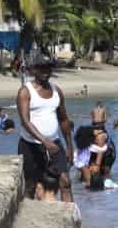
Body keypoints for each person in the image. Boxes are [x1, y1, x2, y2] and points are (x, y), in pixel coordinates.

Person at [16, 57, 74, 203]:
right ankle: (28, 220)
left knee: (65, 182)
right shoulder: (25, 91)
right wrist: (45, 142)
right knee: (30, 186)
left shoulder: (56, 91)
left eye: (48, 68)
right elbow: (25, 122)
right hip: (30, 146)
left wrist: (69, 146)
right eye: (41, 68)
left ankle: (71, 220)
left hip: (55, 144)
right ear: (33, 70)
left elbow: (64, 120)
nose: (45, 71)